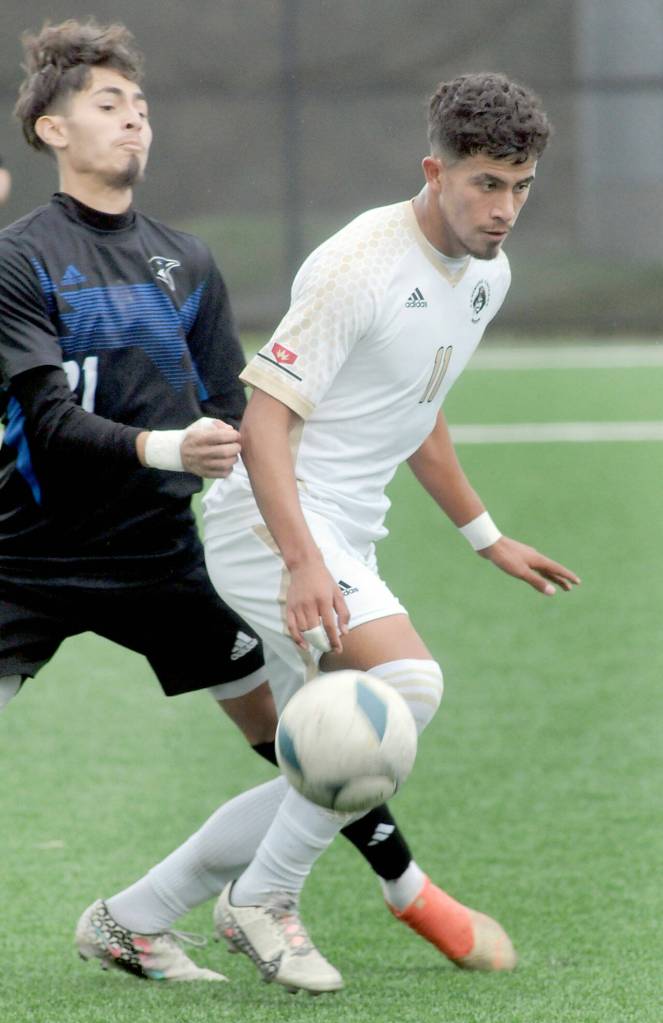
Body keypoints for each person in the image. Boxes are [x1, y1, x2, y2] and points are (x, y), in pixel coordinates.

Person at [3, 20, 517, 987]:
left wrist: (458, 534)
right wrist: (224, 491)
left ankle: (145, 916)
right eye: (109, 104)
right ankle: (299, 895)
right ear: (50, 129)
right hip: (29, 553)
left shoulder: (186, 260)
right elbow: (48, 416)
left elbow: (244, 415)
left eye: (141, 104)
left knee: (321, 739)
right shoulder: (19, 257)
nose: (135, 119)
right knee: (373, 708)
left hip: (161, 555)